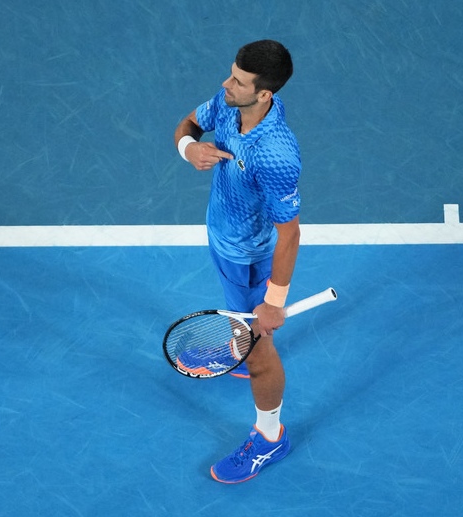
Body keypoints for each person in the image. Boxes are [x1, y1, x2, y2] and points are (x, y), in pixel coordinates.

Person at [173, 39, 301, 484]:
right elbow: (188, 123)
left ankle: (270, 438)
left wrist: (274, 300)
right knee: (238, 321)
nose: (225, 85)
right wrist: (189, 149)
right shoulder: (229, 104)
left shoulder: (276, 153)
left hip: (251, 258)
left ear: (264, 94)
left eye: (238, 81)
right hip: (225, 240)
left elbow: (291, 232)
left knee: (262, 348)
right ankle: (237, 352)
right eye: (230, 73)